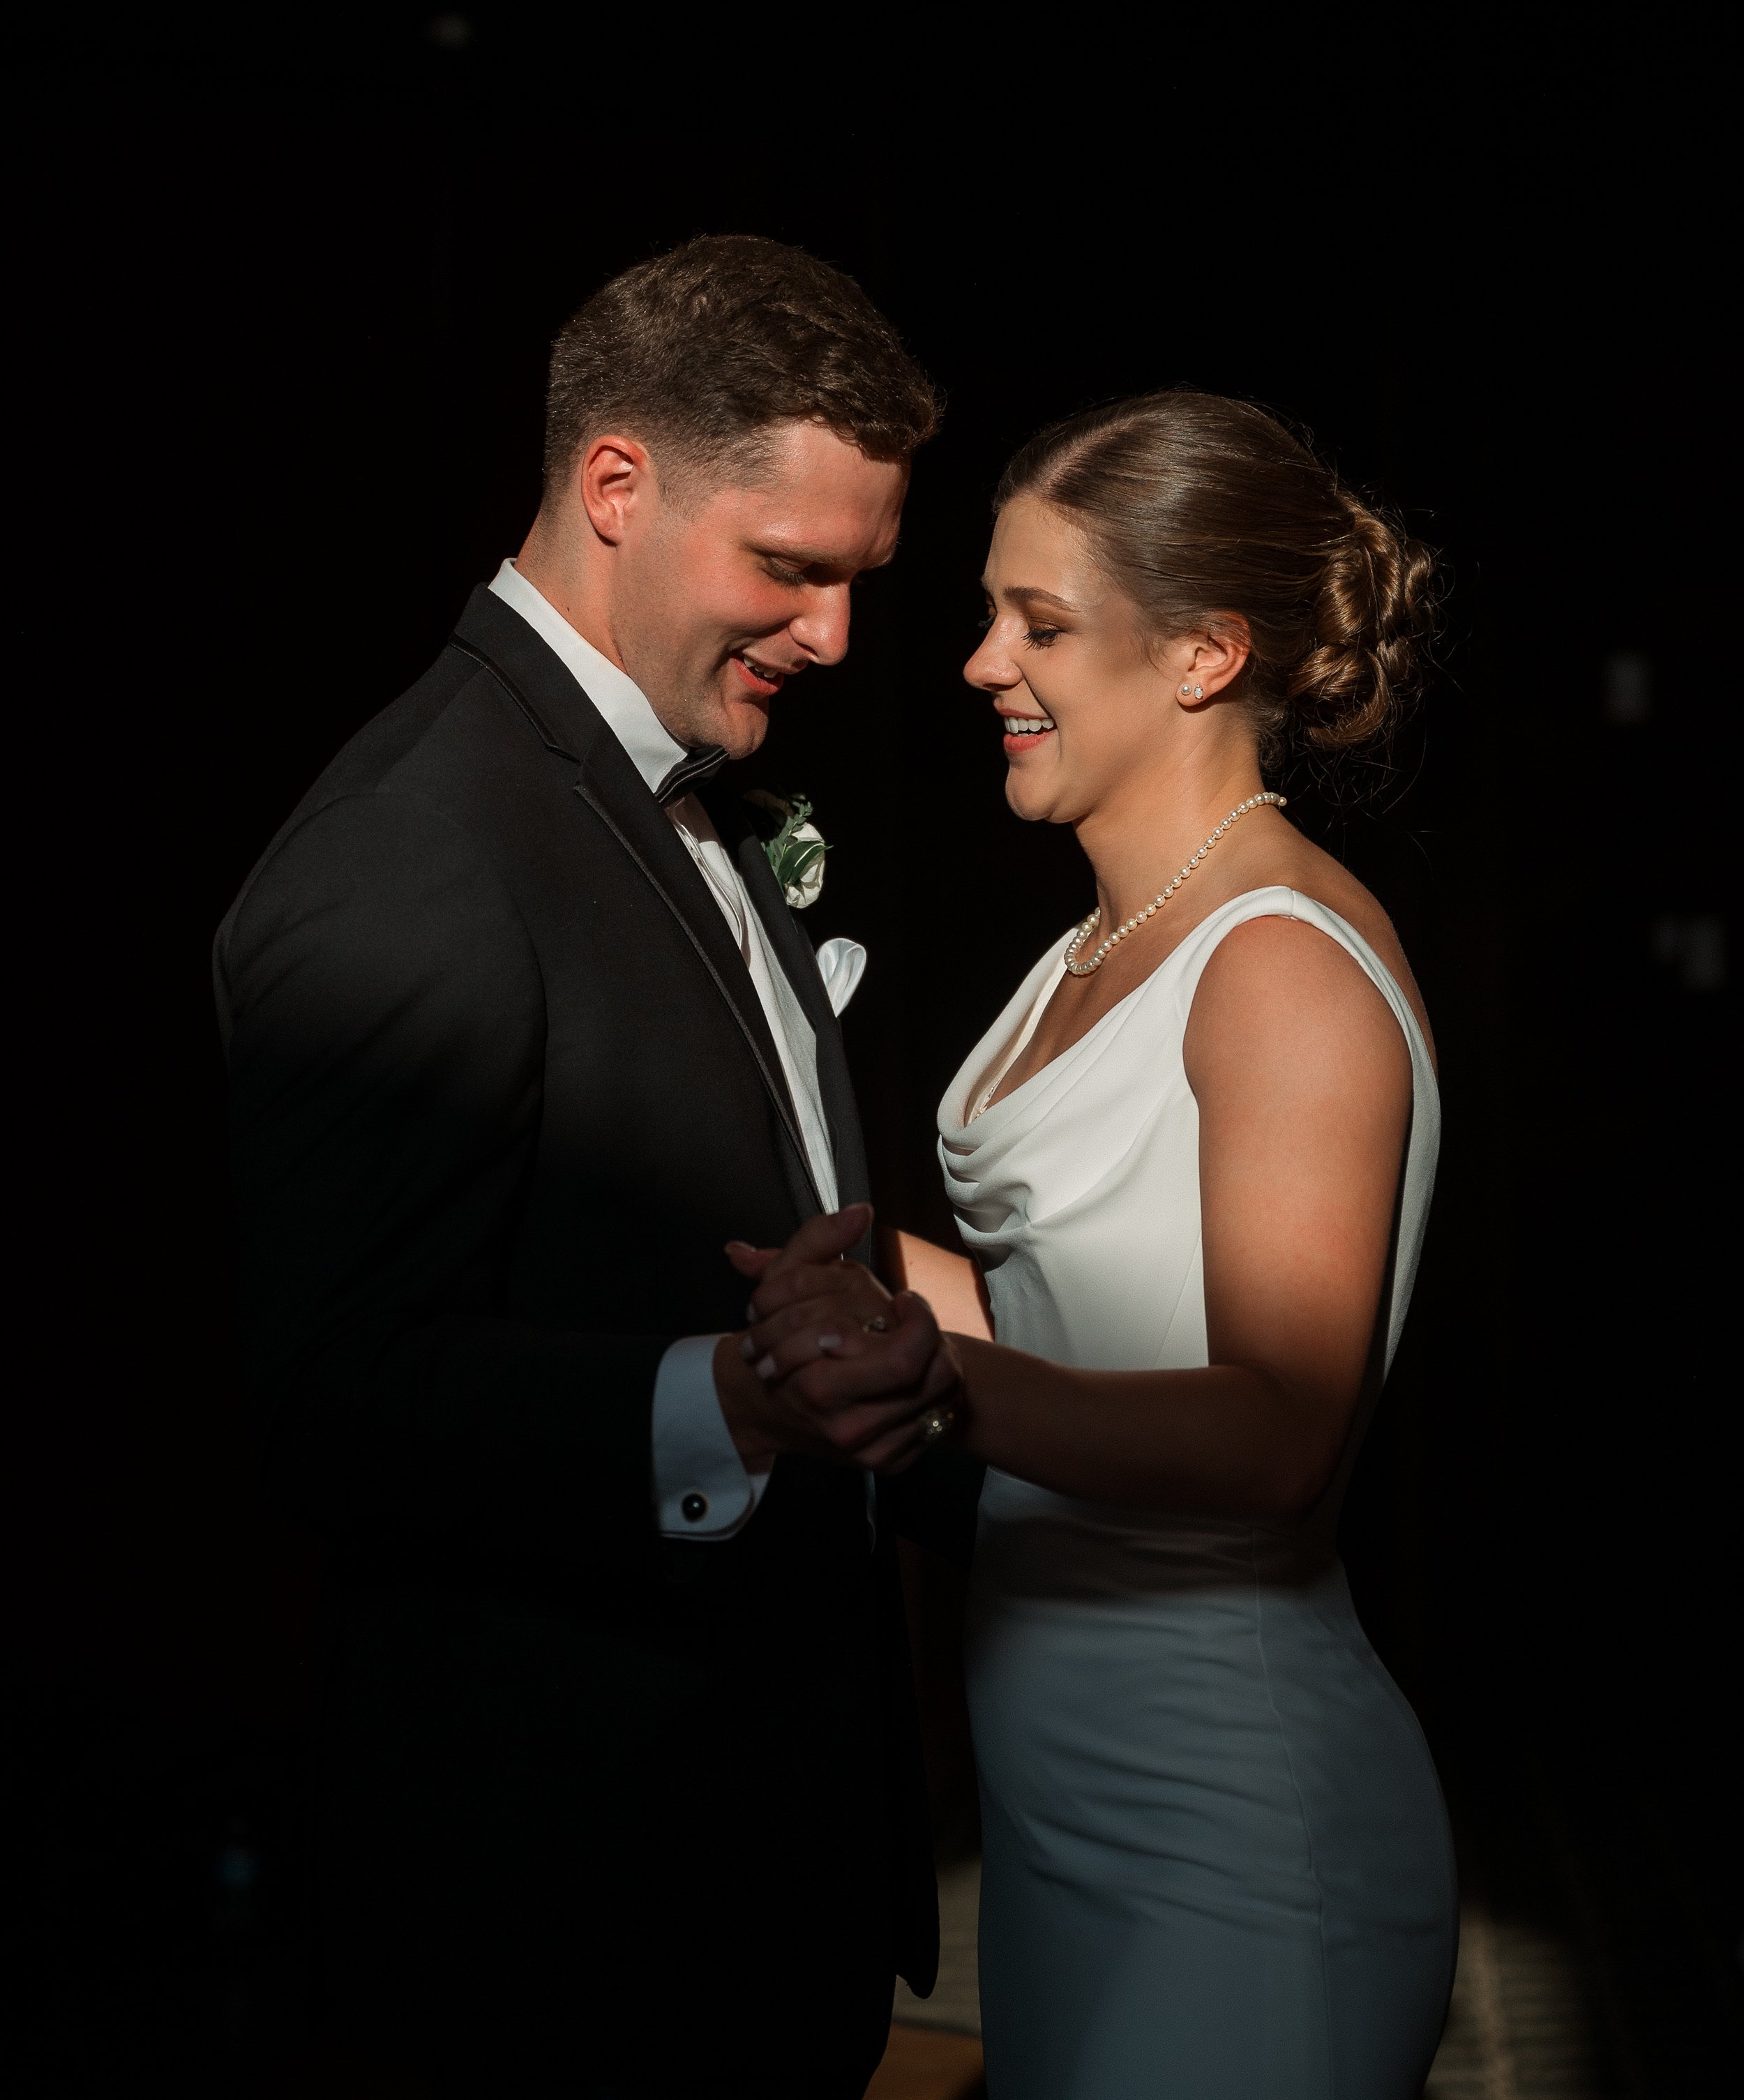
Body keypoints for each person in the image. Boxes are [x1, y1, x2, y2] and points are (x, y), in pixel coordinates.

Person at [214, 236, 965, 2097]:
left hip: (754, 1853)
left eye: (855, 578)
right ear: (613, 486)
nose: (834, 636)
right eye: (788, 569)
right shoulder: (415, 843)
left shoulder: (677, 780)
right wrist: (728, 1393)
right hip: (564, 1917)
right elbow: (330, 1393)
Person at [742, 391, 1457, 2097]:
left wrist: (939, 1387)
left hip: (1234, 1830)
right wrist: (841, 1270)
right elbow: (1070, 1310)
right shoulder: (1095, 942)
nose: (981, 661)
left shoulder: (1275, 960)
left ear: (1203, 655)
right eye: (994, 612)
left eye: (1038, 623)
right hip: (1061, 1824)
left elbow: (1278, 1432)